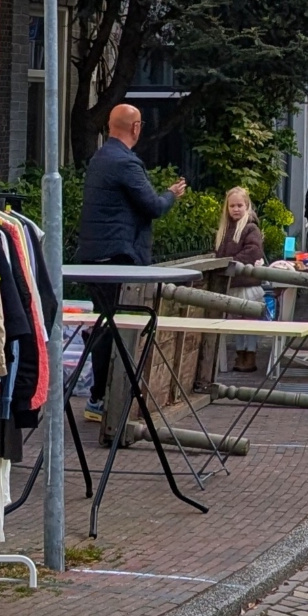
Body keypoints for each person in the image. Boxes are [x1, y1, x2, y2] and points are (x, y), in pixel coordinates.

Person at [81, 102, 185, 416]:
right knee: (116, 327)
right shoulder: (126, 163)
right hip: (118, 257)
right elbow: (152, 206)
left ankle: (101, 396)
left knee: (106, 323)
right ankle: (103, 398)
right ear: (136, 128)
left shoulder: (100, 158)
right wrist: (171, 195)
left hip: (95, 256)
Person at [214, 185, 267, 266]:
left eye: (239, 205)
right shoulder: (224, 229)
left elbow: (253, 252)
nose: (235, 209)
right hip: (224, 277)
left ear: (246, 205)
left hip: (241, 276)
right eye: (232, 206)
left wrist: (227, 265)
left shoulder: (251, 228)